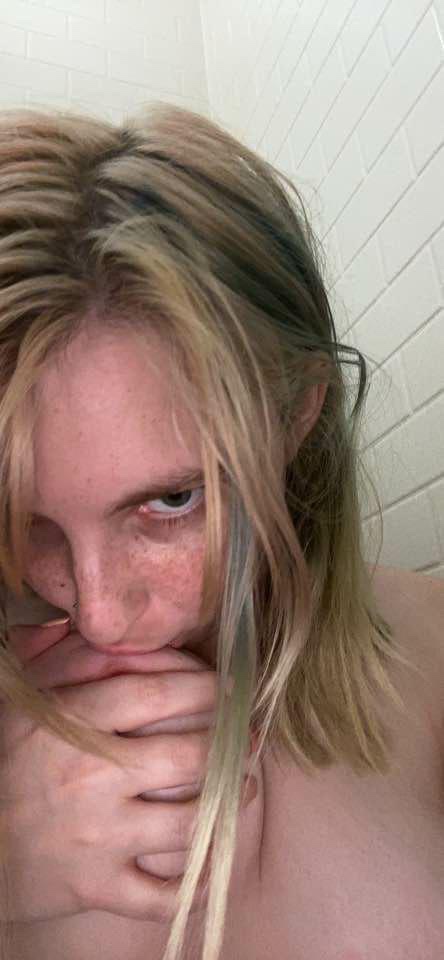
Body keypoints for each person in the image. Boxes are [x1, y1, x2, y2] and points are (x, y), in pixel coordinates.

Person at [0, 103, 442, 960]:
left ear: (296, 415)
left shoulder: (432, 651)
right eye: (28, 521)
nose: (98, 612)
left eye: (171, 499)